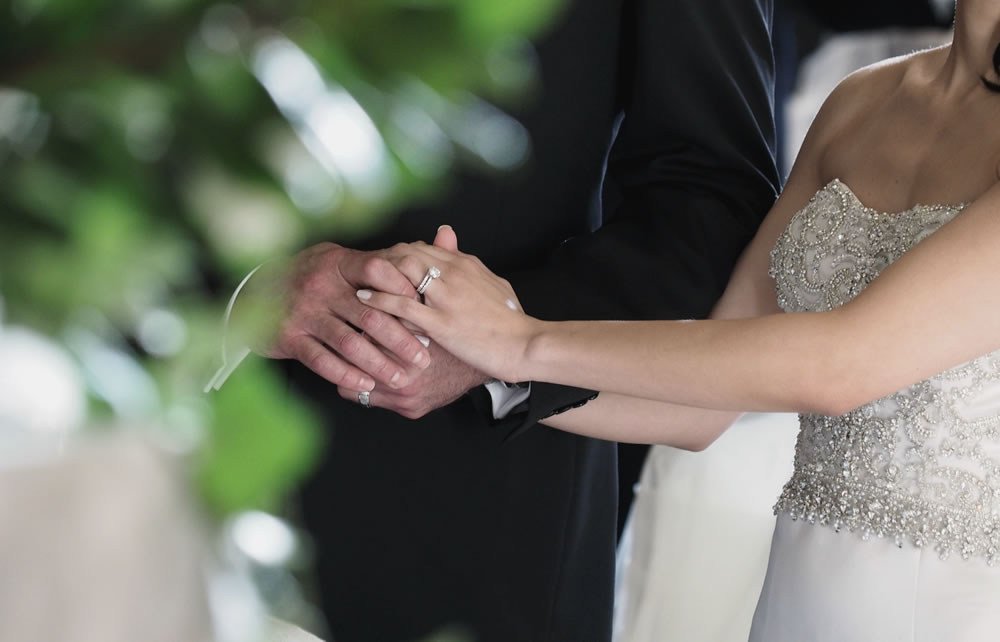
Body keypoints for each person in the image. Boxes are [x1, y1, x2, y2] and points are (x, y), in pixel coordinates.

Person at [357, 0, 1000, 637]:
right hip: (799, 598)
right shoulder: (864, 99)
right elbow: (696, 410)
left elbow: (842, 365)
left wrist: (518, 340)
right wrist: (467, 357)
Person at [218, 1, 779, 640]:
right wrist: (244, 294)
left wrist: (490, 343)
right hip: (150, 436)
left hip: (470, 502)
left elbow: (708, 201)